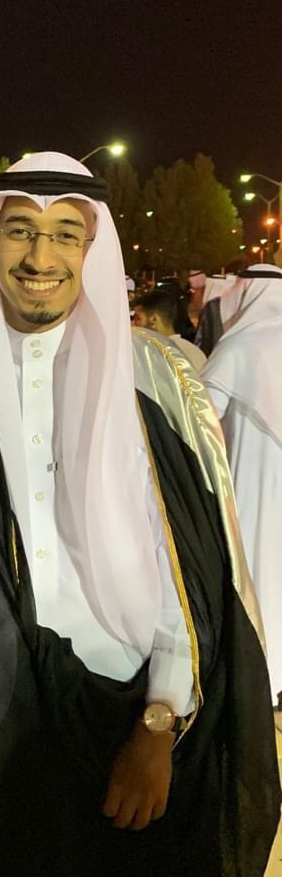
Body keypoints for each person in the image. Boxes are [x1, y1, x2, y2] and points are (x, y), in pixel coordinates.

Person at [0, 152, 279, 877]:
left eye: (65, 235)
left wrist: (159, 722)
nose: (40, 257)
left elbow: (189, 567)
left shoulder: (153, 378)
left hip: (130, 721)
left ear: (92, 248)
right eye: (20, 230)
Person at [202, 261, 282, 707]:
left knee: (258, 571)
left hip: (255, 482)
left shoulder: (241, 345)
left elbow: (199, 417)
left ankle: (261, 679)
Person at [133, 289, 207, 371]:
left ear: (154, 319)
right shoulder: (195, 352)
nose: (133, 323)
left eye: (138, 318)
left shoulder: (153, 354)